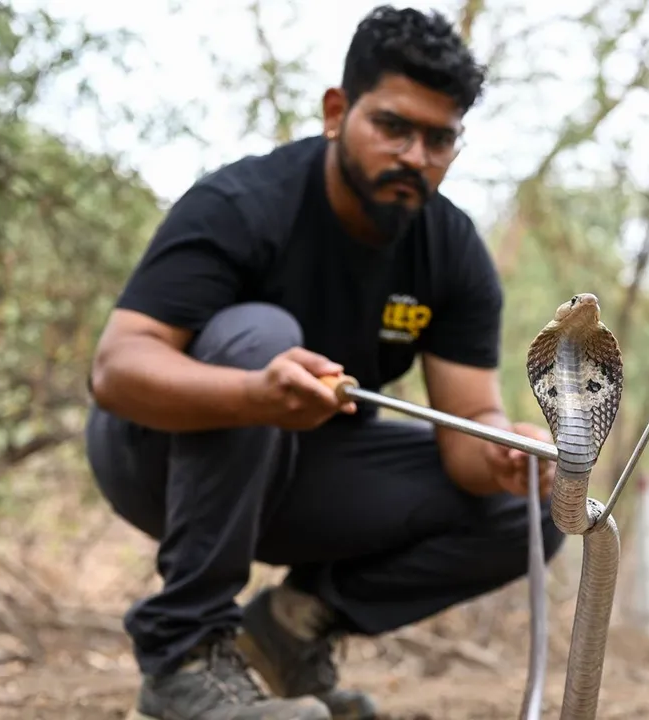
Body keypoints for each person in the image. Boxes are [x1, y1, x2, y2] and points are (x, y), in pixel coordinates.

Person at [85, 5, 565, 720]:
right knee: (262, 333)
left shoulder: (451, 250)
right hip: (156, 458)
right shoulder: (242, 205)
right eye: (394, 127)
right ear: (337, 112)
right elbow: (116, 371)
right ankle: (183, 654)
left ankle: (287, 631)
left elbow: (468, 421)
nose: (416, 156)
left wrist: (503, 452)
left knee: (531, 508)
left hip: (305, 473)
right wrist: (251, 394)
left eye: (440, 139)